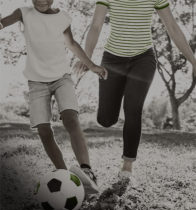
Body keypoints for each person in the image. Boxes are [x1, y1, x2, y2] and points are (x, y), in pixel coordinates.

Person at [75, 0, 196, 184]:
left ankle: (127, 164)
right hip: (112, 60)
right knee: (106, 120)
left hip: (143, 59)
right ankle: (118, 93)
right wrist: (87, 57)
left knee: (133, 108)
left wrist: (193, 61)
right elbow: (95, 25)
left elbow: (172, 26)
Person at [0, 0, 108, 194]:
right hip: (36, 82)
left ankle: (87, 171)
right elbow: (3, 22)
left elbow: (72, 44)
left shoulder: (62, 18)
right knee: (43, 130)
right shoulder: (23, 13)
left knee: (70, 118)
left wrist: (92, 66)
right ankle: (64, 176)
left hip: (61, 78)